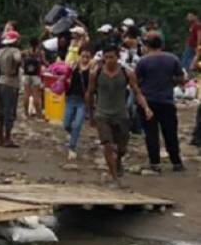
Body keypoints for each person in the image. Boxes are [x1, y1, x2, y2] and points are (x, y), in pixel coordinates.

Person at [86, 48, 151, 184]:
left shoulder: (127, 73)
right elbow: (90, 93)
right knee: (107, 145)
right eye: (107, 57)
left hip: (121, 114)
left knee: (122, 148)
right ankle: (114, 176)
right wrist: (90, 114)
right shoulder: (96, 73)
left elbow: (137, 92)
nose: (109, 61)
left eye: (112, 57)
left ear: (118, 58)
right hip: (102, 114)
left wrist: (146, 108)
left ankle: (119, 160)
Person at [134, 33, 186, 172]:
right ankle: (176, 162)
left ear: (147, 46)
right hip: (167, 101)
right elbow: (181, 78)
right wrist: (169, 82)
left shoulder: (143, 61)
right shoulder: (172, 59)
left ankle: (155, 163)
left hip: (148, 101)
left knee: (151, 134)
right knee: (170, 132)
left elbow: (136, 82)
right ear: (161, 45)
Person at [61, 47, 93, 160]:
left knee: (77, 124)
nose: (85, 59)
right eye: (83, 56)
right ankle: (73, 136)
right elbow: (65, 77)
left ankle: (72, 147)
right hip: (71, 97)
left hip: (82, 100)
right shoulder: (73, 66)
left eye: (87, 57)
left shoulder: (92, 71)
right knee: (66, 124)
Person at [0, 30, 23, 147]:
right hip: (10, 84)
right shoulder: (15, 51)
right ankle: (7, 138)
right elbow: (18, 59)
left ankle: (0, 139)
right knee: (9, 112)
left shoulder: (0, 51)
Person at [21, 37, 46, 119]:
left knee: (26, 94)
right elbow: (44, 62)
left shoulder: (26, 51)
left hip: (26, 74)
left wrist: (22, 65)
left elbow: (20, 59)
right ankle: (39, 114)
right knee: (36, 96)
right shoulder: (40, 52)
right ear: (38, 44)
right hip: (36, 75)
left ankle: (26, 113)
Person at [184, 12, 201, 78]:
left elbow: (199, 36)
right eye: (188, 16)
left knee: (188, 61)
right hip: (190, 45)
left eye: (190, 16)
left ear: (195, 16)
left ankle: (188, 75)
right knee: (187, 60)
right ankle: (187, 75)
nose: (188, 18)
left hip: (193, 46)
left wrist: (198, 46)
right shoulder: (192, 25)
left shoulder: (198, 25)